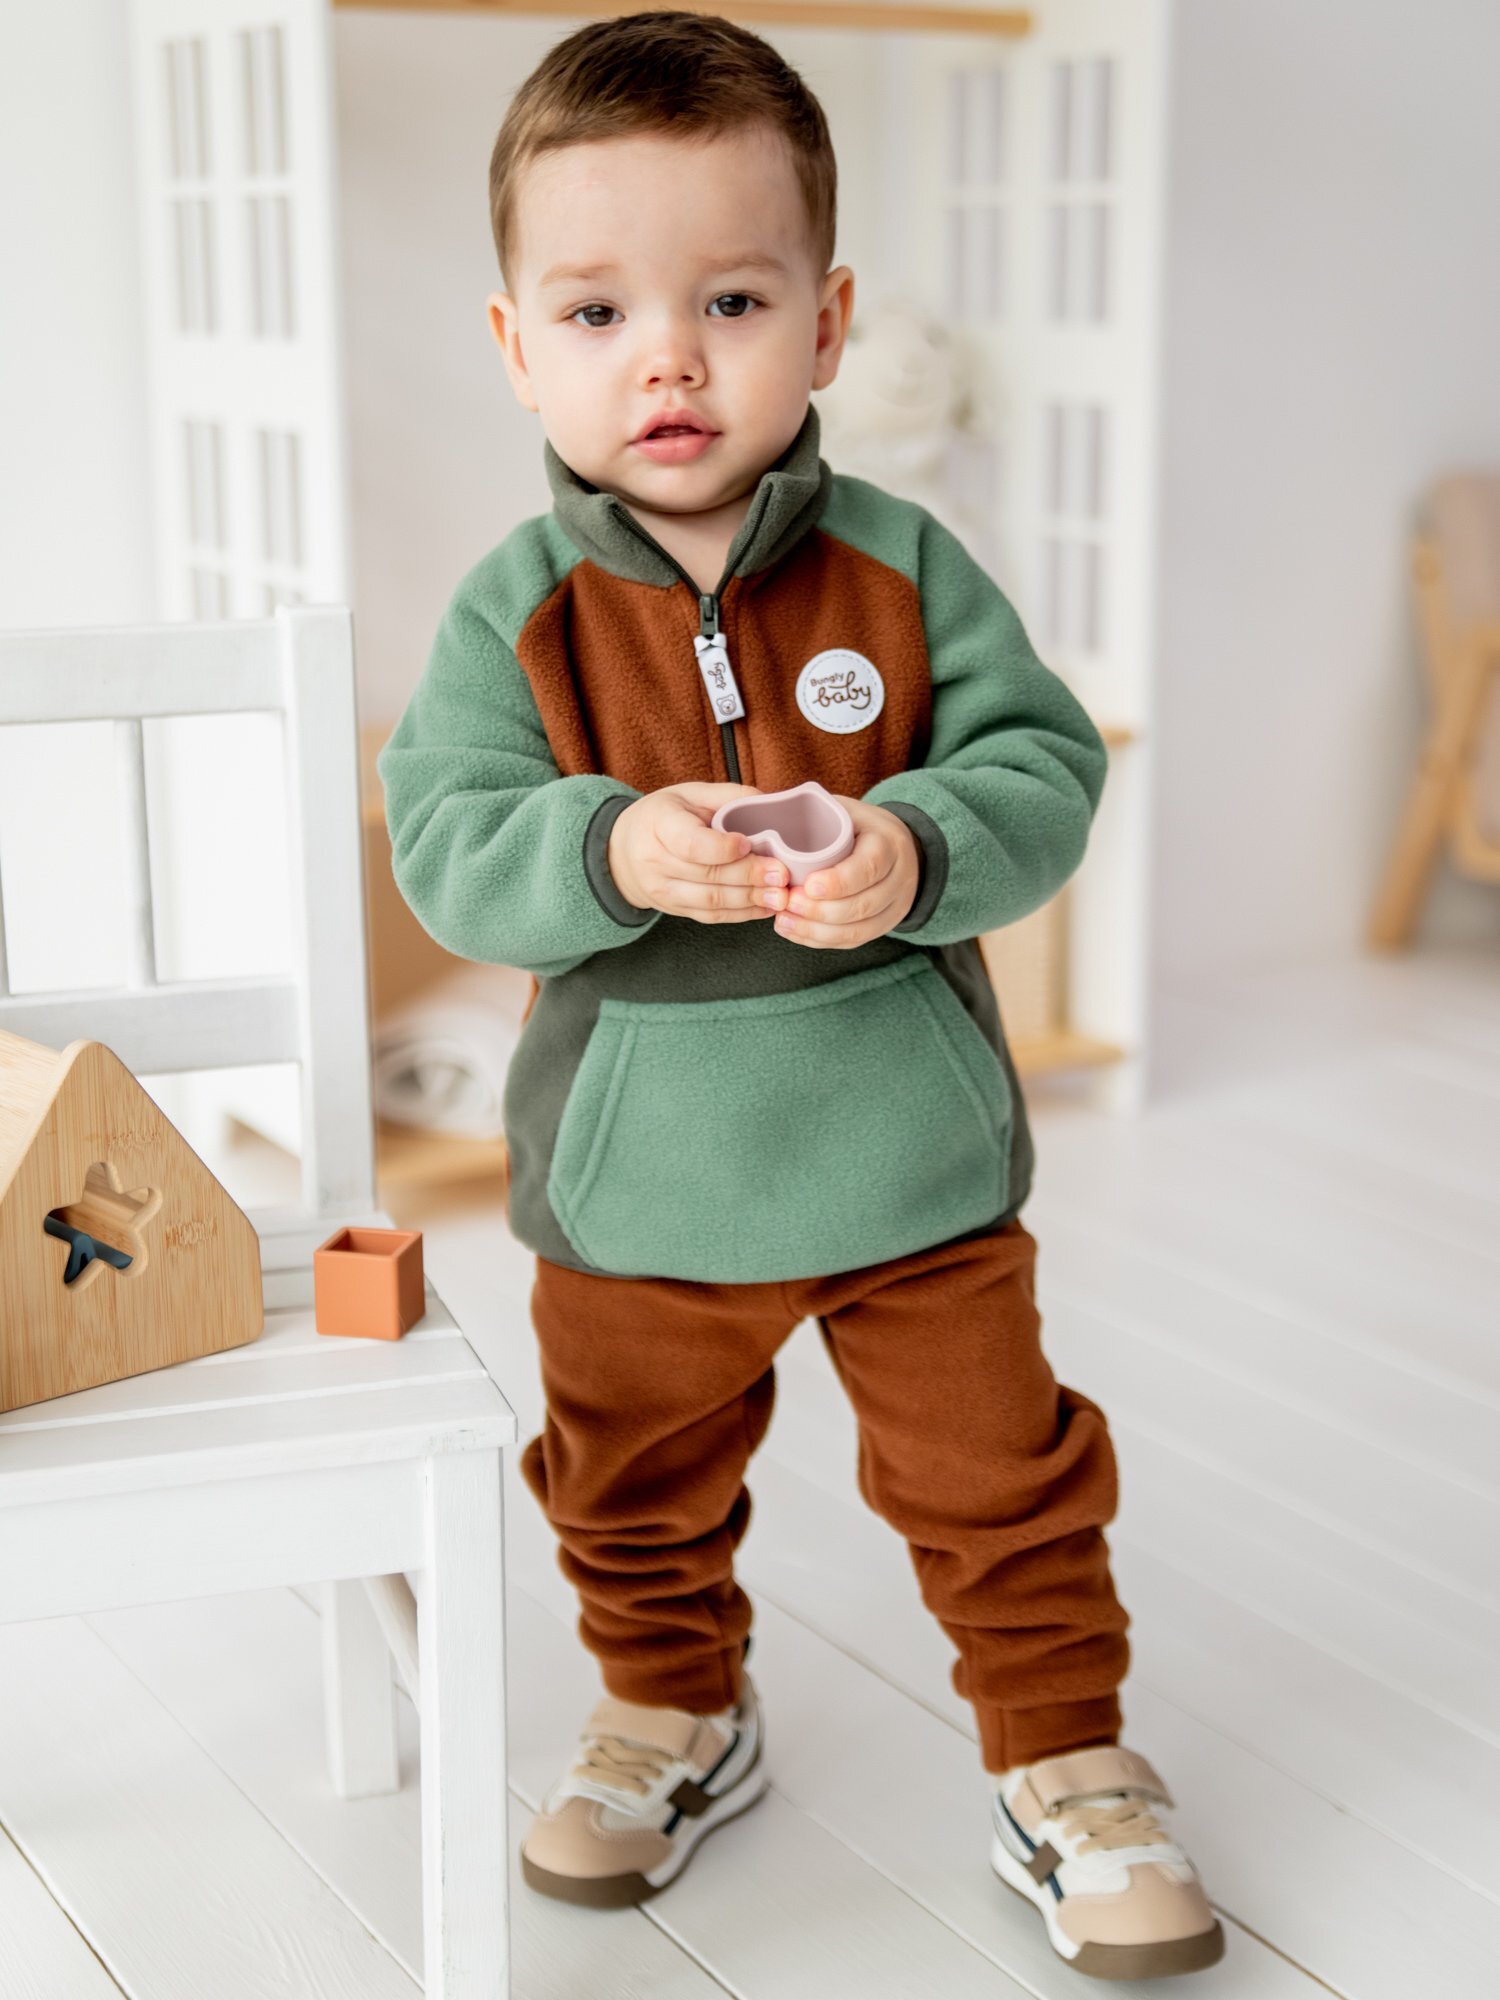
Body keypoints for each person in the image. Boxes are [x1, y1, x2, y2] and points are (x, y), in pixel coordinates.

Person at [377, 9, 1224, 1981]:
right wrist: (607, 848)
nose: (668, 358)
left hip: (911, 1166)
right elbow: (447, 839)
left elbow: (1044, 769)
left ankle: (1065, 1753)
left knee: (1001, 1476)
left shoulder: (908, 569)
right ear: (516, 344)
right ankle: (671, 1705)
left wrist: (917, 846)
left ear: (828, 324)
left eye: (733, 299)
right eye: (597, 311)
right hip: (640, 1189)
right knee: (629, 1485)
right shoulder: (513, 614)